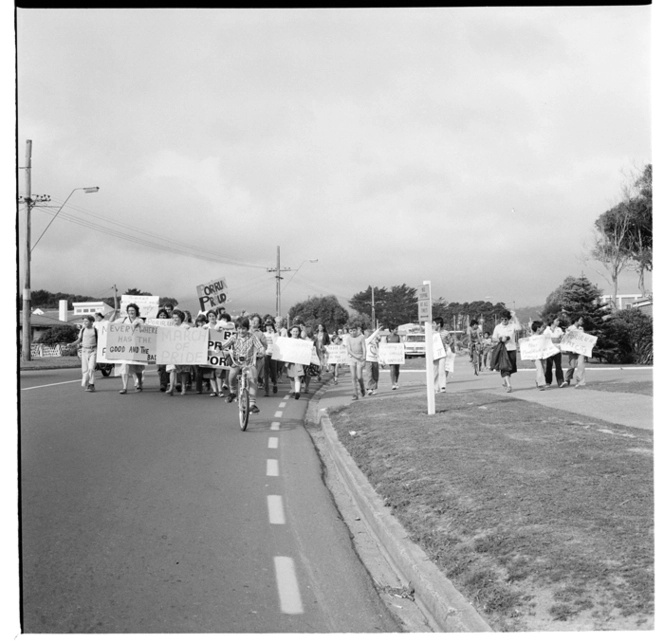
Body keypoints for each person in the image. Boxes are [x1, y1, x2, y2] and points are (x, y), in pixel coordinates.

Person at [220, 316, 265, 413]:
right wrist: (220, 348)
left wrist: (262, 351)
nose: (241, 331)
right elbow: (225, 344)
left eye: (243, 328)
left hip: (249, 363)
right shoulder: (234, 337)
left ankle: (252, 404)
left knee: (253, 379)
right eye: (239, 328)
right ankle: (233, 392)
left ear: (247, 328)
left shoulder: (252, 337)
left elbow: (260, 346)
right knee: (231, 376)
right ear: (236, 329)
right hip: (236, 362)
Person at [112, 303, 146, 394]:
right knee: (125, 366)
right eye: (129, 311)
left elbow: (144, 331)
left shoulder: (140, 321)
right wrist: (114, 313)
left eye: (133, 310)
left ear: (136, 311)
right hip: (125, 347)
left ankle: (139, 384)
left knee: (137, 367)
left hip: (136, 347)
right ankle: (124, 387)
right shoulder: (122, 320)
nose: (131, 312)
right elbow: (111, 325)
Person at [491, 310, 522, 392]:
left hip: (512, 349)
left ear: (508, 319)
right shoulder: (498, 327)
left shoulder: (512, 325)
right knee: (504, 368)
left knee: (510, 368)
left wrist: (514, 316)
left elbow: (519, 328)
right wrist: (500, 339)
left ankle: (505, 380)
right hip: (502, 350)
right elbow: (493, 338)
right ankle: (509, 386)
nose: (504, 321)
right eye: (502, 319)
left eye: (505, 319)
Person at [68, 315, 98, 392]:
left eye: (86, 321)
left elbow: (99, 341)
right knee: (85, 369)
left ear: (91, 322)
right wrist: (71, 344)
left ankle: (91, 385)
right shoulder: (83, 330)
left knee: (91, 368)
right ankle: (88, 384)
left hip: (93, 351)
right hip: (84, 351)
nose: (85, 323)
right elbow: (79, 340)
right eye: (84, 321)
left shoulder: (95, 330)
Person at [165, 309, 191, 396]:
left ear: (181, 318)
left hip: (183, 351)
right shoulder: (171, 327)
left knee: (183, 370)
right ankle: (171, 388)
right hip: (172, 351)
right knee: (172, 369)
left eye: (177, 317)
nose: (175, 319)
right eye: (174, 317)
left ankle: (183, 388)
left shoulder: (185, 327)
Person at [344, 322, 367, 400]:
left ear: (357, 330)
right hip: (352, 358)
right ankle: (355, 394)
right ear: (349, 332)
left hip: (360, 358)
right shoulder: (348, 339)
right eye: (351, 331)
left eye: (354, 330)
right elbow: (349, 350)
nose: (353, 332)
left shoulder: (361, 337)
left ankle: (362, 388)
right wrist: (355, 356)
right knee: (353, 377)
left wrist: (364, 356)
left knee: (359, 377)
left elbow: (364, 347)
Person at [563, 316, 587, 388]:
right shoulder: (570, 329)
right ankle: (567, 379)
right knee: (572, 366)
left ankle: (580, 382)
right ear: (576, 320)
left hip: (580, 350)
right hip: (572, 351)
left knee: (581, 365)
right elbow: (567, 339)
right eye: (581, 319)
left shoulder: (581, 329)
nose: (582, 321)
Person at [543, 316, 565, 388]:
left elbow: (562, 338)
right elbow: (544, 340)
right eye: (557, 320)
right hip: (549, 351)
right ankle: (548, 382)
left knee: (558, 366)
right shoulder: (546, 330)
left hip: (557, 351)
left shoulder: (559, 330)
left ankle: (560, 381)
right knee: (549, 366)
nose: (558, 322)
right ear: (552, 321)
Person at [154, 307, 172, 392]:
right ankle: (163, 384)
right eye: (161, 315)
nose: (162, 317)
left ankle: (167, 381)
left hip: (169, 347)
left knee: (168, 366)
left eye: (164, 315)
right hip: (158, 347)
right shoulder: (154, 324)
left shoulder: (170, 324)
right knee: (161, 367)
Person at [432, 317, 450, 393]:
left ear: (438, 324)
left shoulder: (446, 332)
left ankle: (442, 387)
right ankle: (435, 387)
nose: (433, 325)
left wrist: (447, 344)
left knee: (442, 370)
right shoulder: (431, 332)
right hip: (434, 354)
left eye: (434, 323)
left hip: (443, 354)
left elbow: (450, 341)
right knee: (435, 371)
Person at [365, 326, 383, 395]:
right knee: (369, 375)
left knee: (375, 376)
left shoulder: (375, 343)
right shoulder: (366, 341)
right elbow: (372, 336)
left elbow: (377, 352)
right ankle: (369, 388)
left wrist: (381, 360)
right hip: (368, 361)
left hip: (375, 361)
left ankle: (374, 388)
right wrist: (378, 330)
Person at [530, 320, 547, 391]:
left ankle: (538, 380)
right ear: (538, 328)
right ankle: (541, 384)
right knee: (539, 368)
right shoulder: (532, 338)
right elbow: (530, 347)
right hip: (536, 356)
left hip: (543, 355)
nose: (543, 328)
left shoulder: (543, 337)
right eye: (542, 327)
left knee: (543, 369)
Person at [263, 319, 279, 395]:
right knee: (265, 372)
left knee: (273, 372)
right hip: (265, 354)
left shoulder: (275, 334)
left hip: (273, 355)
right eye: (267, 326)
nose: (269, 328)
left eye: (270, 326)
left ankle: (275, 383)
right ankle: (267, 390)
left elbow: (277, 342)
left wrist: (273, 333)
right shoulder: (263, 334)